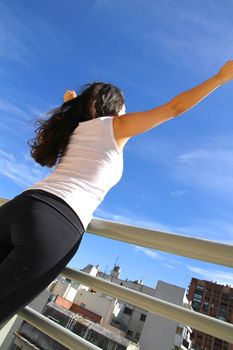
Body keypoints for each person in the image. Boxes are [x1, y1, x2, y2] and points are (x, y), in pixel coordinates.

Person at [0, 61, 233, 326]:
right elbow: (174, 108)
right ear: (113, 108)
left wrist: (74, 101)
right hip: (56, 224)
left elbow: (80, 115)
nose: (126, 112)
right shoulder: (115, 126)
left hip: (20, 207)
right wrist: (219, 78)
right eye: (124, 107)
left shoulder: (73, 130)